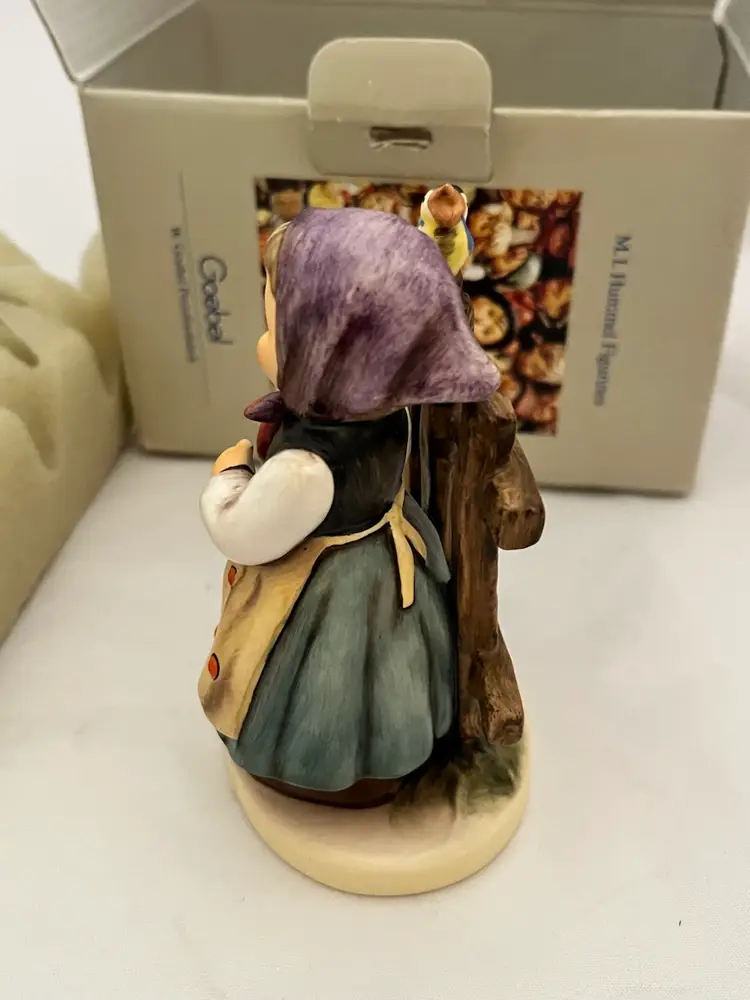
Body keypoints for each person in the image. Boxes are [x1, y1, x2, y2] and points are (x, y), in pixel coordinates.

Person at [197, 207, 500, 807]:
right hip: (382, 564)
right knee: (387, 674)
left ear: (328, 352)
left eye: (273, 331)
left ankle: (318, 767)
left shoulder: (305, 469)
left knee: (329, 688)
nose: (260, 344)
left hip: (324, 590)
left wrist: (228, 476)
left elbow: (241, 532)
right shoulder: (388, 411)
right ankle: (381, 754)